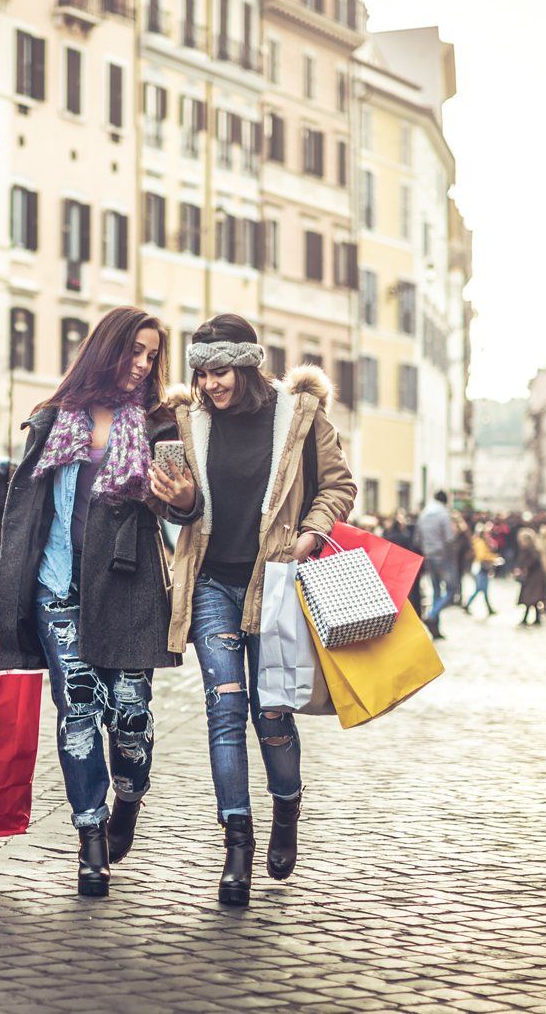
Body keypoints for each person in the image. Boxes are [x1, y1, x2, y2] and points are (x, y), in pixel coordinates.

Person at [0, 305, 181, 898]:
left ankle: (130, 796)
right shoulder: (52, 420)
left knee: (130, 716)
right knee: (78, 714)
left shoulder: (158, 424)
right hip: (56, 586)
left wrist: (181, 497)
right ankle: (89, 838)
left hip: (129, 587)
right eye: (134, 352)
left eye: (151, 356)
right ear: (107, 348)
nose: (142, 366)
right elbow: (22, 516)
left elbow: (186, 509)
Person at [158, 313, 356, 906]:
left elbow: (339, 486)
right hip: (212, 585)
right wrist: (183, 500)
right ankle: (236, 846)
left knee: (272, 714)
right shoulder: (187, 421)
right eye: (201, 374)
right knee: (225, 711)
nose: (210, 385)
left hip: (275, 585)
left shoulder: (299, 415)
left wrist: (313, 533)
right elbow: (173, 506)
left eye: (220, 371)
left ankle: (286, 809)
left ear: (246, 365)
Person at [417, 492, 456, 639]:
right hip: (442, 556)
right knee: (452, 590)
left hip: (428, 555)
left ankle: (436, 630)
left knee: (436, 591)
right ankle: (432, 615)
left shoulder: (424, 513)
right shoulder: (443, 514)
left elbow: (418, 539)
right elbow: (449, 538)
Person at [385, 511, 424, 617]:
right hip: (405, 569)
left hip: (392, 570)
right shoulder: (405, 537)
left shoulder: (388, 535)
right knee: (411, 594)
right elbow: (411, 552)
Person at [514, 529, 546, 625]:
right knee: (532, 599)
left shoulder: (533, 550)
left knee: (531, 598)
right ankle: (535, 617)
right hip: (531, 578)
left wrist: (524, 568)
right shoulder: (526, 550)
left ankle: (531, 618)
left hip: (534, 578)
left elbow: (532, 562)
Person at [463, 522, 499, 615]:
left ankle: (489, 608)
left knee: (484, 589)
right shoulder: (479, 542)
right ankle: (467, 604)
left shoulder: (483, 542)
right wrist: (493, 558)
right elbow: (481, 556)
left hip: (484, 568)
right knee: (480, 588)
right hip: (479, 567)